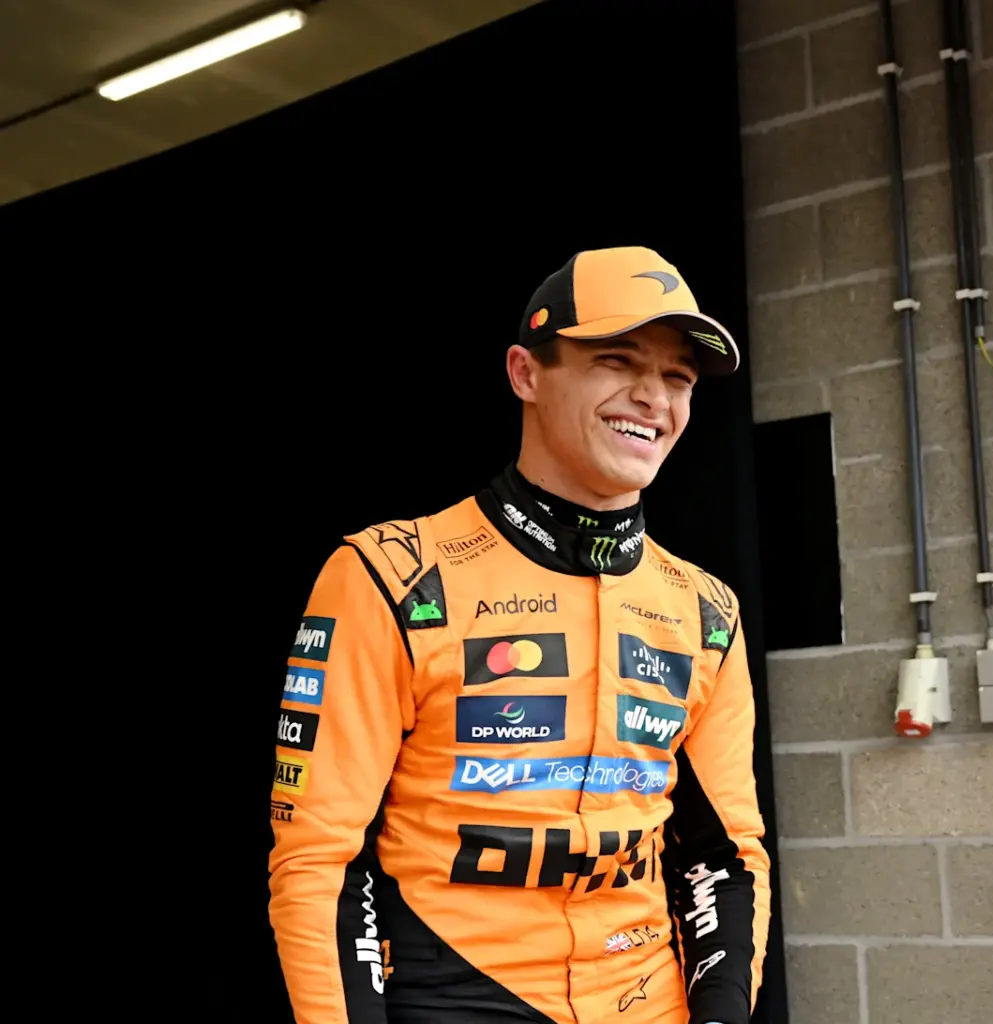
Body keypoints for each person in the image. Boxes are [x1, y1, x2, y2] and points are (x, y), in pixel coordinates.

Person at [268, 246, 772, 1024]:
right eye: (617, 360)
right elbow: (321, 857)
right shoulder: (390, 575)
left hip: (648, 999)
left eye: (679, 378)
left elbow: (723, 856)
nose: (653, 397)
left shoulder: (707, 610)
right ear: (525, 373)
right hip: (452, 996)